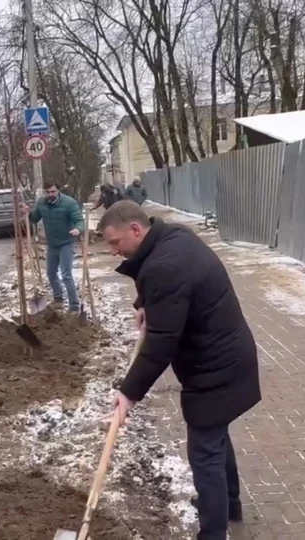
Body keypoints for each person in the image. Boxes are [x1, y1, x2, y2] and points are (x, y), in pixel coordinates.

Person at [97, 200, 260, 540]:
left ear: (136, 230)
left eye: (115, 243)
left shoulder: (165, 265)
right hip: (226, 357)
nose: (113, 252)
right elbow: (169, 287)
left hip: (216, 368)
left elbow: (160, 344)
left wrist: (128, 393)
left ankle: (213, 532)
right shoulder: (172, 237)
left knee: (204, 452)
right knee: (214, 436)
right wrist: (146, 304)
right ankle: (229, 505)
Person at [21, 181, 85, 312]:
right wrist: (27, 213)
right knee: (51, 273)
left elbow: (79, 220)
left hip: (66, 242)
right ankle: (58, 299)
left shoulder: (69, 203)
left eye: (53, 191)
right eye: (48, 192)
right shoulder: (42, 203)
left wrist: (78, 229)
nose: (51, 194)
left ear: (58, 190)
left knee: (66, 274)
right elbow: (34, 218)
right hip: (52, 244)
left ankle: (74, 306)